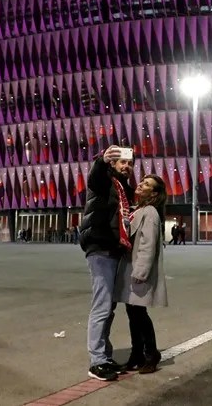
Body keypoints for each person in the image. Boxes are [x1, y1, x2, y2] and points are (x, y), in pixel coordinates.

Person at [78, 145, 134, 381]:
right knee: (102, 304)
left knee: (109, 307)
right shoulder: (105, 180)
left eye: (130, 163)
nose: (126, 166)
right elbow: (94, 177)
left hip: (114, 248)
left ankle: (105, 355)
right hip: (99, 245)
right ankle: (97, 361)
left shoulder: (123, 188)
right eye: (122, 162)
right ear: (112, 163)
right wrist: (101, 160)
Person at [115, 174, 168, 374]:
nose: (141, 184)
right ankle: (136, 355)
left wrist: (141, 271)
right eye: (142, 181)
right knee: (133, 313)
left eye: (147, 184)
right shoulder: (139, 210)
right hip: (131, 268)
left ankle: (150, 354)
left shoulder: (150, 212)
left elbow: (148, 244)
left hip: (138, 270)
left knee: (139, 314)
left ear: (153, 193)